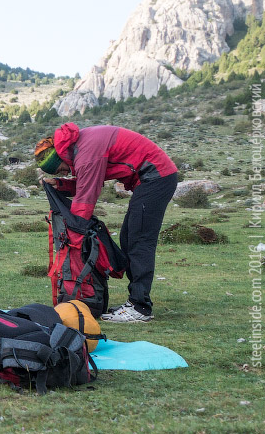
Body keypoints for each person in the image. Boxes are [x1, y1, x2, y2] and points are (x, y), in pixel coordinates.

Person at [35, 122, 178, 323]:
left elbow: (87, 194)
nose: (66, 173)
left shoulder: (86, 153)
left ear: (61, 156)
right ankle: (135, 302)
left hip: (156, 177)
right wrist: (60, 185)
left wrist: (75, 232)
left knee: (139, 241)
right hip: (149, 180)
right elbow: (86, 181)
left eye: (62, 169)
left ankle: (140, 307)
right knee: (128, 237)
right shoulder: (81, 146)